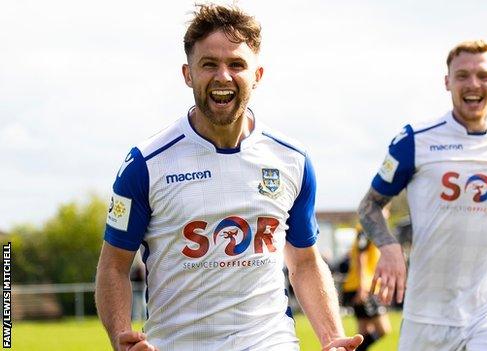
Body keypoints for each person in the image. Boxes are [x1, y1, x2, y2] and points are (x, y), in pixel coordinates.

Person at [94, 4, 362, 351]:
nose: (223, 76)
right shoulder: (146, 163)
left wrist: (332, 337)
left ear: (257, 75)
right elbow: (113, 266)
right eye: (209, 64)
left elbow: (305, 261)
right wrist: (120, 337)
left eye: (237, 64)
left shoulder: (291, 159)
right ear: (188, 74)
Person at [357, 40, 487, 350]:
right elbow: (369, 205)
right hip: (429, 312)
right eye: (462, 75)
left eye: (484, 75)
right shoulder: (414, 141)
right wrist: (389, 247)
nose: (473, 83)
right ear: (447, 82)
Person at [342, 222, 392, 350]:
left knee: (362, 333)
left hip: (363, 286)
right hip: (363, 287)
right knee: (383, 329)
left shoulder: (374, 229)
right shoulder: (366, 228)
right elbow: (361, 257)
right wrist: (362, 287)